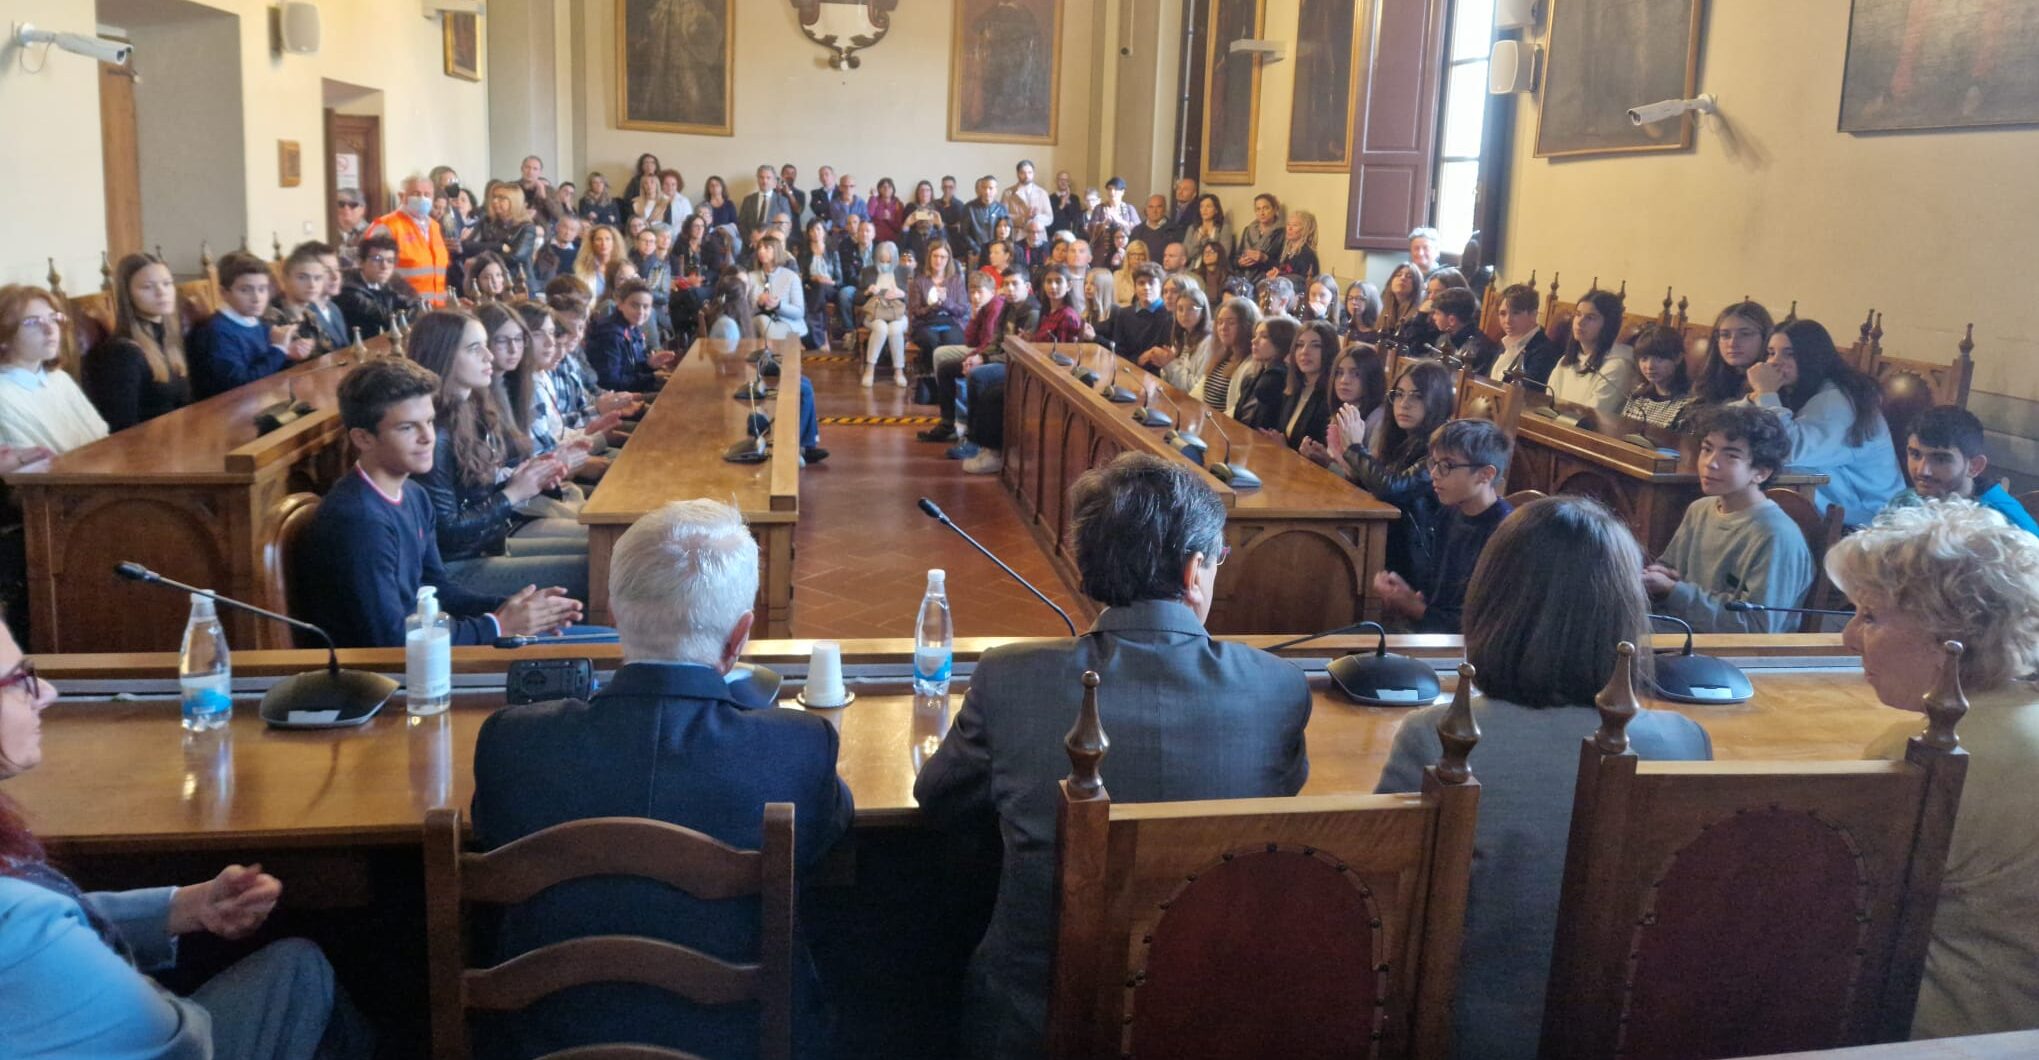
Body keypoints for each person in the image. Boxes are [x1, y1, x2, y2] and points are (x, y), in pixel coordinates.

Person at [915, 452, 1311, 1059]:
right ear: (1192, 571)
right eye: (1216, 560)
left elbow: (938, 798)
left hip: (1032, 1020)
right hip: (1206, 1014)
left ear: (1084, 561)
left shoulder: (1008, 678)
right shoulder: (1278, 688)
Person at [472, 498, 852, 1059]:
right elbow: (826, 844)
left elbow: (491, 835)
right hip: (740, 1042)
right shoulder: (798, 745)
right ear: (739, 636)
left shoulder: (510, 741)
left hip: (550, 1040)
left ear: (614, 618)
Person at [1377, 495, 1712, 1060]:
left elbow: (1387, 917)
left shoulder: (1433, 735)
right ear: (1626, 614)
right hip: (1634, 1036)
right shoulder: (1684, 742)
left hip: (1465, 1036)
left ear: (1490, 602)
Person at [0, 622, 372, 1059]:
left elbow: (53, 926)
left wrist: (182, 907)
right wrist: (141, 984)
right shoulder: (19, 922)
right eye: (21, 679)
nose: (47, 692)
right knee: (301, 971)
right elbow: (183, 1042)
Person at [1835, 501, 2039, 1041]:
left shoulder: (1925, 753)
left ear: (1952, 634)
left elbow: (1836, 926)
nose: (1849, 637)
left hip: (1942, 1036)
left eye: (1871, 616)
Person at [299, 357, 582, 647]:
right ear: (363, 438)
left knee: (601, 643)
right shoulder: (358, 520)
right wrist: (497, 625)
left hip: (430, 653)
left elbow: (438, 589)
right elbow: (391, 641)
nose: (428, 437)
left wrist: (517, 609)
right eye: (407, 428)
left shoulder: (414, 494)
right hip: (385, 676)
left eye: (430, 422)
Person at [407, 310, 590, 600]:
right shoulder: (435, 431)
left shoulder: (471, 407)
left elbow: (476, 493)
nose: (489, 356)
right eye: (474, 348)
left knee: (607, 551)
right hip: (456, 569)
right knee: (598, 568)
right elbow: (447, 534)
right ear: (442, 354)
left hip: (489, 542)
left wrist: (525, 478)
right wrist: (513, 493)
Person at [1644, 404, 1813, 633]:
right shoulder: (1700, 509)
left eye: (1731, 456)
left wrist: (1674, 591)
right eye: (1707, 449)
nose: (1710, 463)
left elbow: (1758, 629)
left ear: (1761, 472)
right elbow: (1670, 569)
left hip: (1731, 655)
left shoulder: (1775, 535)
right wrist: (1658, 577)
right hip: (1682, 629)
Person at [1743, 319, 1906, 526]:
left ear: (1812, 357)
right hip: (1835, 507)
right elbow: (1736, 426)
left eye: (1789, 354)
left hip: (1868, 523)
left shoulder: (1839, 401)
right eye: (1771, 352)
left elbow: (1787, 448)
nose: (1775, 362)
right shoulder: (1802, 390)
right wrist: (1755, 396)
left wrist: (1766, 394)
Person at [1370, 418, 1514, 634]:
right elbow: (1436, 595)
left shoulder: (1505, 534)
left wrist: (1414, 607)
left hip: (1459, 652)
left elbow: (1480, 626)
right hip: (1429, 632)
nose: (1434, 474)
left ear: (1486, 474)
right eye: (1433, 463)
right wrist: (1407, 594)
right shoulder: (1450, 512)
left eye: (1446, 466)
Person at [1333, 359, 1456, 577]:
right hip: (1388, 543)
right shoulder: (1402, 438)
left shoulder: (1443, 446)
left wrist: (1355, 449)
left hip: (1413, 563)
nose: (1404, 404)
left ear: (1438, 401)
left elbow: (1393, 489)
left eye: (1416, 396)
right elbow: (1378, 484)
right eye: (1399, 394)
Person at [82, 252, 193, 431]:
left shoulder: (169, 339)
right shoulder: (123, 353)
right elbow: (122, 427)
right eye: (148, 287)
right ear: (128, 295)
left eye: (167, 284)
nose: (161, 292)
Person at [1889, 405, 2039, 534]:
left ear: (1975, 466)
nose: (1922, 471)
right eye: (1915, 454)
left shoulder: (2006, 524)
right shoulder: (1905, 501)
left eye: (1941, 459)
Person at [953, 269, 1041, 475]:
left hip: (1019, 365)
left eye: (1015, 284)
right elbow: (996, 341)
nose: (1010, 289)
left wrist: (985, 360)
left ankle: (986, 445)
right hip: (1003, 358)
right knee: (964, 369)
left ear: (1027, 287)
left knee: (979, 377)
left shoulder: (1032, 312)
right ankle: (967, 434)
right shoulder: (1007, 308)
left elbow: (1021, 351)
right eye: (1007, 284)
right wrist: (978, 357)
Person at [0, 286, 109, 454]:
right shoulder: (5, 396)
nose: (50, 330)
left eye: (53, 319)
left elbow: (102, 436)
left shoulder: (59, 379)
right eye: (33, 322)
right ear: (4, 337)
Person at [191, 252, 313, 397]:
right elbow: (241, 383)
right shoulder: (217, 331)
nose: (257, 298)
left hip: (261, 399)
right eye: (245, 290)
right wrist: (279, 349)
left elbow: (267, 368)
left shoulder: (256, 322)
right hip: (229, 409)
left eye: (262, 289)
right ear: (223, 293)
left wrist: (288, 354)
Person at [918, 272, 1004, 442]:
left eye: (980, 292)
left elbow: (988, 343)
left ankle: (961, 420)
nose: (976, 296)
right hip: (979, 351)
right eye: (972, 292)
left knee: (947, 364)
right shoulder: (982, 308)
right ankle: (949, 422)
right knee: (941, 359)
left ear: (991, 292)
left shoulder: (995, 308)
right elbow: (970, 340)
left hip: (991, 355)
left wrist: (972, 358)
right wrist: (973, 317)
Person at [1548, 289, 1638, 423]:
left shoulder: (1617, 366)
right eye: (1578, 314)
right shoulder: (1566, 360)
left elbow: (1593, 415)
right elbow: (1549, 402)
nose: (1580, 322)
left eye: (1590, 317)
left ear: (1608, 325)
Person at [364, 172, 451, 305]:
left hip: (435, 311)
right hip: (404, 309)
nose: (422, 198)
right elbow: (371, 272)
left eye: (427, 195)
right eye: (416, 193)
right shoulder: (387, 226)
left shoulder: (434, 226)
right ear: (402, 196)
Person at [585, 279, 677, 394]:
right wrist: (652, 378)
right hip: (615, 400)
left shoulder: (633, 328)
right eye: (635, 305)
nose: (641, 312)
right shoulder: (610, 334)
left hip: (631, 392)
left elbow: (631, 370)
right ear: (620, 304)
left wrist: (649, 364)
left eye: (646, 306)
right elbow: (610, 383)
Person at [336, 235, 421, 340]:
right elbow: (387, 318)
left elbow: (416, 303)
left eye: (390, 260)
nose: (384, 266)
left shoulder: (385, 282)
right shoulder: (349, 290)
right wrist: (409, 314)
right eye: (377, 259)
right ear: (361, 262)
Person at [1621, 322, 1701, 430]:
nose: (1650, 366)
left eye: (1659, 359)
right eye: (1644, 358)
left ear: (1678, 358)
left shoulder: (1690, 403)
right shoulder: (1638, 394)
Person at [1692, 300, 1774, 405]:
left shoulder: (1772, 385)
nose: (1732, 343)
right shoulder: (1709, 380)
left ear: (1766, 338)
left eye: (1745, 334)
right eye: (1725, 335)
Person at [908, 240, 970, 373]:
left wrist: (946, 303)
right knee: (930, 340)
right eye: (935, 256)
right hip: (926, 323)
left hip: (952, 322)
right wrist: (933, 307)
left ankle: (948, 376)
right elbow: (915, 311)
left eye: (943, 257)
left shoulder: (956, 280)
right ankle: (930, 376)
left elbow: (962, 310)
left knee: (951, 339)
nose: (938, 260)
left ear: (948, 259)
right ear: (929, 258)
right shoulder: (920, 280)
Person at [465, 182, 540, 293]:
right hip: (488, 283)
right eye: (494, 197)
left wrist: (481, 258)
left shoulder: (527, 227)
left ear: (514, 201)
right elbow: (468, 246)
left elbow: (516, 256)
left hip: (518, 284)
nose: (495, 201)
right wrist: (500, 247)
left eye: (501, 198)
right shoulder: (486, 221)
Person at [1139, 284, 1213, 395]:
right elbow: (1169, 378)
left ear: (1202, 312)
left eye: (1191, 309)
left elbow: (1196, 388)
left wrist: (1169, 363)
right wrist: (1164, 362)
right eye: (1180, 309)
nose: (1184, 314)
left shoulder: (1208, 343)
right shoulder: (1182, 336)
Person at [857, 240, 911, 387]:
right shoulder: (868, 271)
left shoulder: (904, 271)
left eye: (889, 261)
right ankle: (870, 369)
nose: (885, 264)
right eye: (882, 261)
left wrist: (902, 294)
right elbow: (857, 298)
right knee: (881, 328)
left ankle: (899, 371)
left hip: (898, 313)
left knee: (894, 329)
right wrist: (868, 291)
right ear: (876, 259)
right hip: (874, 313)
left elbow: (914, 298)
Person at [1197, 295, 1261, 414]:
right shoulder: (1222, 356)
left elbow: (1236, 411)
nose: (1223, 328)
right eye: (1220, 322)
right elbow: (1197, 394)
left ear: (1247, 326)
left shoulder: (1251, 365)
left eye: (1231, 323)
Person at [1235, 315, 1300, 431]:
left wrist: (1277, 365)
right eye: (1255, 335)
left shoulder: (1278, 378)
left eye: (1264, 336)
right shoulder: (1253, 377)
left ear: (1282, 343)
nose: (1254, 341)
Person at [1488, 282, 1557, 385]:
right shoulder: (1504, 343)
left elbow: (1526, 392)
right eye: (1502, 313)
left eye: (1516, 313)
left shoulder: (1544, 352)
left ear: (1533, 315)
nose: (1507, 320)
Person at [1431, 287, 1500, 373]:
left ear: (1452, 320)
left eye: (1437, 313)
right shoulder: (1443, 338)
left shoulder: (1481, 348)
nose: (1434, 317)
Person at [1001, 160, 1052, 263]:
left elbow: (1049, 217)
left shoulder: (1042, 193)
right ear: (1018, 174)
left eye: (1029, 172)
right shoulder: (1008, 193)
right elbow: (1004, 217)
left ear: (1033, 173)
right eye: (1023, 173)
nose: (1026, 175)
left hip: (1038, 236)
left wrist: (1036, 217)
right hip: (1018, 235)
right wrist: (1024, 217)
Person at [835, 219, 877, 337]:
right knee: (844, 293)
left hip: (876, 287)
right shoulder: (849, 249)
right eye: (861, 230)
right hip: (857, 287)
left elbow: (885, 270)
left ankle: (874, 330)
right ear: (857, 233)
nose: (864, 234)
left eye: (868, 231)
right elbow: (849, 273)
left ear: (873, 234)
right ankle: (850, 331)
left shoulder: (880, 248)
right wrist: (864, 285)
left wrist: (873, 286)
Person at [737, 165, 792, 247]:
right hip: (750, 247)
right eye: (761, 177)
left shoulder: (782, 201)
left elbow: (786, 226)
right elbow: (741, 224)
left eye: (768, 178)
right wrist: (750, 241)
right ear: (758, 180)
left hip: (774, 247)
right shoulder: (748, 200)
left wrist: (770, 239)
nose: (764, 181)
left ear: (774, 181)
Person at [958, 175, 1008, 266]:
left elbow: (1005, 233)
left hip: (996, 253)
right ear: (980, 189)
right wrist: (978, 250)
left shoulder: (1001, 209)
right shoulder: (969, 208)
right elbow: (964, 233)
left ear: (996, 190)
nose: (987, 191)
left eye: (990, 188)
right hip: (975, 253)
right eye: (984, 188)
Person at [1232, 193, 1284, 279]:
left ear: (1275, 209)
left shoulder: (1281, 233)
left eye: (1266, 208)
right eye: (1258, 209)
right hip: (1243, 275)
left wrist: (1264, 259)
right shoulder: (1248, 230)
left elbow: (1282, 265)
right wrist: (1239, 262)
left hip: (1266, 277)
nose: (1262, 213)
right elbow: (1236, 257)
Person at [572, 224, 625, 303]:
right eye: (598, 239)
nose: (603, 243)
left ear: (614, 242)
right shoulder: (582, 268)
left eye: (607, 239)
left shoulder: (623, 267)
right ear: (592, 243)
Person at [1378, 262, 1427, 346]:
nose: (1403, 278)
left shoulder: (1420, 313)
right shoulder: (1384, 305)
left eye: (1409, 276)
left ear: (1416, 285)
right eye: (1398, 275)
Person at [1086, 177, 1140, 245]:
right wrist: (1103, 224)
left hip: (1124, 250)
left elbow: (1139, 230)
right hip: (1103, 249)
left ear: (1122, 192)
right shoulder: (1099, 208)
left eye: (1115, 189)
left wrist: (1121, 221)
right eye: (1109, 189)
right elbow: (1090, 228)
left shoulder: (1129, 209)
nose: (1112, 192)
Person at [532, 214, 583, 288]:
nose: (567, 232)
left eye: (572, 230)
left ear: (577, 234)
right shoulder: (542, 247)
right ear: (557, 227)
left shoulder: (580, 253)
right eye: (565, 227)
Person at [1272, 210, 1320, 280]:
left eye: (1295, 225)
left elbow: (1304, 284)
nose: (1289, 228)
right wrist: (1276, 274)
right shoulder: (1286, 252)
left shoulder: (1306, 255)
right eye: (1288, 224)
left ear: (1306, 229)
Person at [1130, 194, 1174, 262]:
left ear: (1165, 209)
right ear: (1146, 209)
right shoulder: (1137, 231)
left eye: (1159, 207)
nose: (1154, 211)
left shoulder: (1174, 231)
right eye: (1150, 207)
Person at [333, 186, 370, 265]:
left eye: (353, 204)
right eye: (341, 204)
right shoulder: (327, 231)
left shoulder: (373, 232)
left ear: (362, 209)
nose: (346, 208)